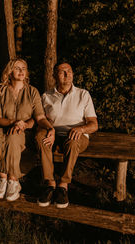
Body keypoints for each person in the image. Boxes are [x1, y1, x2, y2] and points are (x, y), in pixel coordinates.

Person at [0, 58, 54, 202]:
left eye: (23, 68)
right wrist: (13, 122)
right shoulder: (0, 90)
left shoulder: (32, 91)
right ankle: (2, 178)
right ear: (9, 72)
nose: (21, 71)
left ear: (26, 72)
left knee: (13, 137)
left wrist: (50, 128)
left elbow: (39, 116)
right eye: (17, 68)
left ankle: (13, 181)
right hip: (3, 127)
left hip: (23, 131)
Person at [36, 60, 98, 208]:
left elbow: (94, 124)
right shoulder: (46, 96)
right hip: (54, 133)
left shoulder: (83, 94)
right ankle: (50, 183)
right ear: (54, 76)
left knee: (73, 141)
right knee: (39, 137)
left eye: (69, 71)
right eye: (62, 71)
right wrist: (49, 129)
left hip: (75, 135)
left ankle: (63, 186)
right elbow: (41, 119)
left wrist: (81, 129)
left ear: (72, 74)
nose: (66, 74)